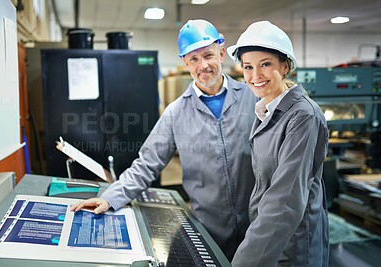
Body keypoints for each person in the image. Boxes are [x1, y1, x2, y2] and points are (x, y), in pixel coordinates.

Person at [71, 19, 257, 261]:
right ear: (185, 63)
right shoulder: (176, 113)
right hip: (210, 230)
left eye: (208, 55)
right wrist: (110, 197)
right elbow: (147, 165)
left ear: (222, 54)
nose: (203, 65)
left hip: (258, 227)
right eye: (194, 59)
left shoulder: (252, 99)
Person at [226, 20, 329, 266]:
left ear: (285, 66)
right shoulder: (265, 111)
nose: (255, 75)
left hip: (293, 245)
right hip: (272, 240)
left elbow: (285, 200)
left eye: (265, 64)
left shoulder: (303, 116)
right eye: (248, 67)